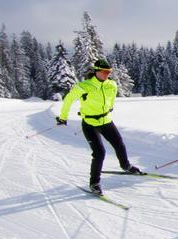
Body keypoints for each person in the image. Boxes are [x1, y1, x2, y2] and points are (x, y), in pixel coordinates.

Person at [56, 58, 142, 195]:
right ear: (96, 71)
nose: (107, 74)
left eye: (109, 71)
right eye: (104, 71)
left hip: (106, 121)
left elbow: (112, 98)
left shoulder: (112, 85)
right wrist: (63, 117)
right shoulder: (84, 86)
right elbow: (68, 100)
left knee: (119, 144)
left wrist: (110, 107)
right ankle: (94, 183)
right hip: (90, 124)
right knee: (99, 153)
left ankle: (126, 166)